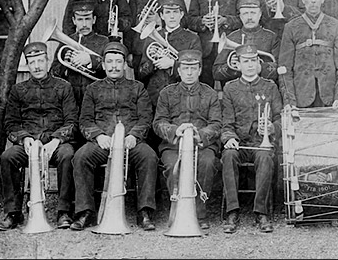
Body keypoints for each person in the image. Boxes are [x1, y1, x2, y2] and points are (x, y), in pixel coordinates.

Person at [71, 42, 158, 231]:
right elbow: (84, 120)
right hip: (102, 143)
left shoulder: (138, 88)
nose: (114, 66)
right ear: (103, 65)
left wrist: (134, 135)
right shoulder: (93, 89)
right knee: (80, 157)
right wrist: (98, 136)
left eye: (118, 62)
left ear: (125, 65)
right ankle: (85, 212)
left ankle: (145, 211)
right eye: (109, 62)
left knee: (149, 157)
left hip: (130, 143)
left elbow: (145, 118)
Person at [0, 42, 78, 231]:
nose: (37, 66)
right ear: (28, 65)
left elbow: (72, 120)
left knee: (68, 156)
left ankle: (63, 211)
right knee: (7, 158)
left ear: (48, 62)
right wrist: (24, 138)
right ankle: (13, 212)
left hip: (56, 142)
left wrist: (57, 139)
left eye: (41, 61)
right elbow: (11, 123)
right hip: (29, 144)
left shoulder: (63, 87)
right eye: (32, 63)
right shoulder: (18, 90)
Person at [152, 49, 221, 231]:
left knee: (207, 163)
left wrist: (200, 135)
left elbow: (216, 124)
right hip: (174, 145)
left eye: (193, 68)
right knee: (172, 166)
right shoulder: (167, 93)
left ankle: (200, 212)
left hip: (202, 145)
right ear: (179, 70)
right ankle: (177, 208)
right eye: (185, 68)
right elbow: (158, 123)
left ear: (199, 70)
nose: (189, 73)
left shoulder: (210, 94)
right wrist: (176, 130)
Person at [220, 44, 282, 234]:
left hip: (260, 143)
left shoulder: (270, 87)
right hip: (239, 143)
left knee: (265, 157)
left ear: (259, 63)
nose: (249, 65)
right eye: (245, 61)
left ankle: (261, 212)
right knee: (228, 155)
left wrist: (272, 127)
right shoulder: (230, 88)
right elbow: (226, 123)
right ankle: (232, 211)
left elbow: (280, 117)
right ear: (238, 65)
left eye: (253, 61)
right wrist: (229, 138)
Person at [278, 0, 338, 108]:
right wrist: (290, 101)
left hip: (329, 99)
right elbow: (284, 69)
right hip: (301, 98)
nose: (313, 0)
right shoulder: (291, 27)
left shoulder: (336, 26)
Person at [187, 0, 246, 87]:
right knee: (205, 88)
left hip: (228, 47)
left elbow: (243, 19)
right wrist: (202, 22)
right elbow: (189, 20)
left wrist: (225, 21)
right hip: (206, 49)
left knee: (231, 87)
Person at [137, 0, 201, 110]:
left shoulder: (192, 38)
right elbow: (141, 73)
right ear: (161, 15)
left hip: (182, 95)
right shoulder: (152, 37)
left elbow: (198, 68)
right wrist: (154, 63)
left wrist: (172, 64)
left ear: (181, 15)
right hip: (155, 95)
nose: (172, 16)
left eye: (175, 12)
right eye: (167, 12)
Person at [50, 1, 108, 110]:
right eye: (80, 20)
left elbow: (111, 68)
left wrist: (90, 59)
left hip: (97, 98)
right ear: (74, 21)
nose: (84, 24)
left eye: (87, 19)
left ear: (94, 20)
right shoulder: (65, 42)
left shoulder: (104, 41)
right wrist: (64, 65)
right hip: (72, 99)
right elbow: (53, 73)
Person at [213, 0, 280, 85]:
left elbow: (281, 68)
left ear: (260, 14)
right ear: (240, 16)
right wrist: (233, 67)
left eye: (253, 13)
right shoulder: (231, 37)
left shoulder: (272, 37)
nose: (249, 17)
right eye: (245, 13)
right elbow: (216, 72)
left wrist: (260, 68)